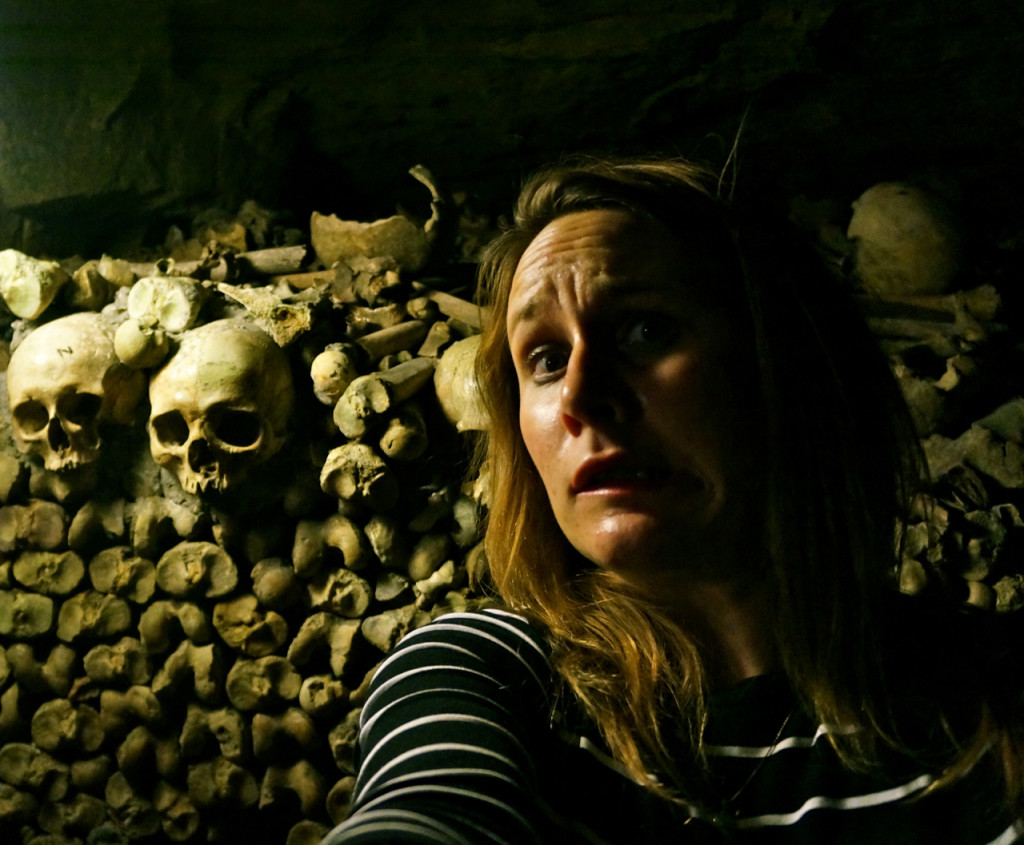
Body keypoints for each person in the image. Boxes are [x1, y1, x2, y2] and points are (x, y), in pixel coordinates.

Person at [322, 157, 1024, 843]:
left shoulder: (989, 695)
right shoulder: (489, 679)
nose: (579, 397)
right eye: (543, 358)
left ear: (781, 362)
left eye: (644, 329)